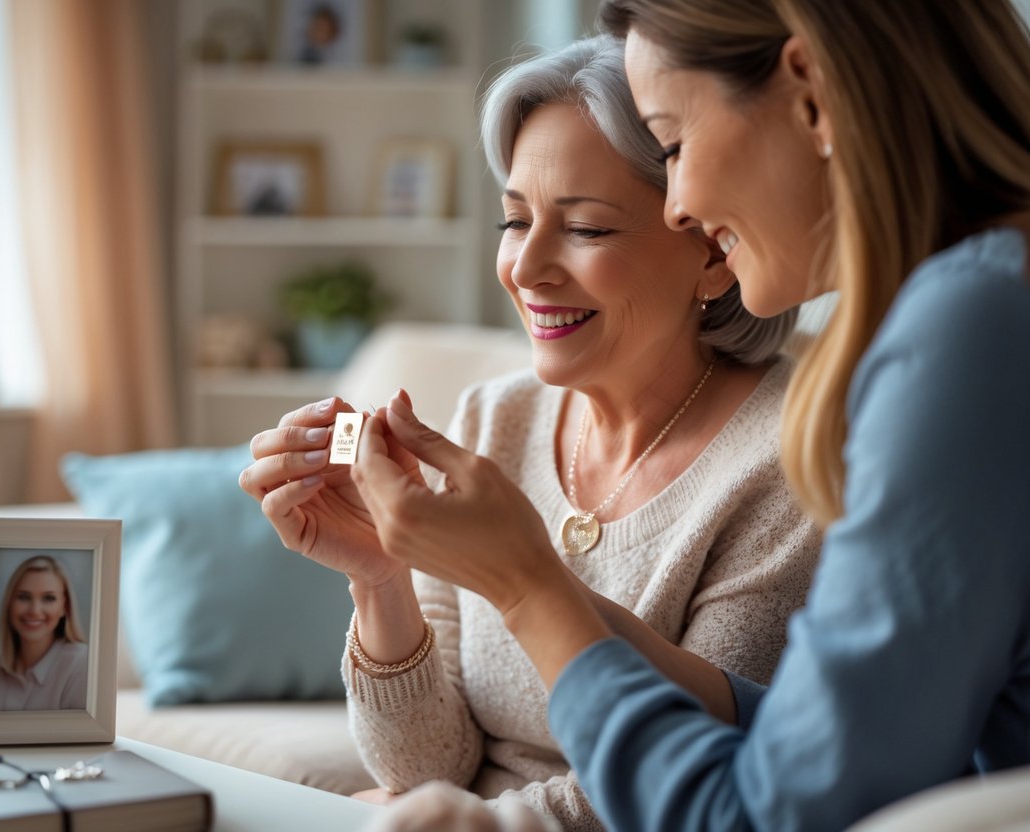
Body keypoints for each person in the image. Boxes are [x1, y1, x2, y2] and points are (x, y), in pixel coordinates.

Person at [347, 1, 1030, 830]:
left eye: (673, 143)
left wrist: (526, 588)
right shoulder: (983, 304)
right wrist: (407, 574)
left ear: (810, 93)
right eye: (514, 219)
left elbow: (760, 815)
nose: (679, 204)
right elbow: (852, 745)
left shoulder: (974, 324)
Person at [241, 35, 821, 830]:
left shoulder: (791, 456)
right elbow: (421, 766)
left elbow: (697, 777)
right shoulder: (494, 417)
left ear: (712, 252)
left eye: (585, 229)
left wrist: (453, 819)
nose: (527, 267)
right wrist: (381, 578)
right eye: (515, 221)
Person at [0, 555, 89, 711]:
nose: (34, 611)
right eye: (23, 597)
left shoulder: (82, 664)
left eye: (48, 598)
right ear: (9, 604)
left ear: (65, 607)